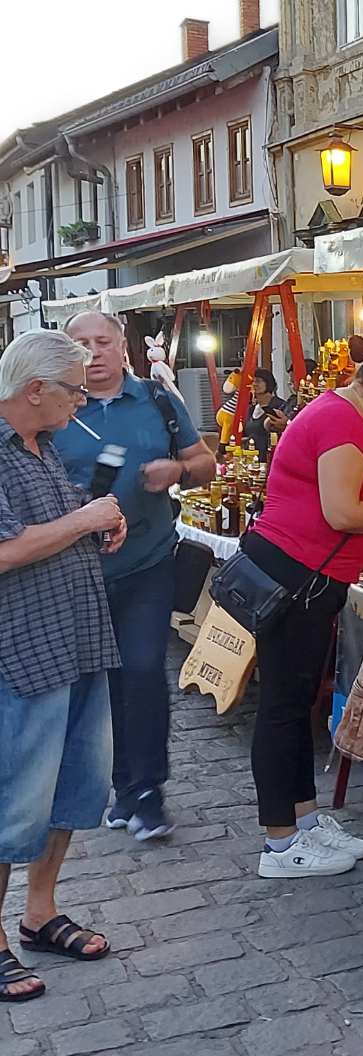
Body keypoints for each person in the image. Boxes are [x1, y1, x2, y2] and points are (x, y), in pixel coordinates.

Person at [245, 337, 363, 878]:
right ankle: (280, 843)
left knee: (294, 702)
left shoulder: (341, 416)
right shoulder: (341, 419)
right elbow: (342, 510)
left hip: (305, 577)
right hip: (293, 575)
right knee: (281, 706)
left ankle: (301, 819)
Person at [0, 331, 127, 1004]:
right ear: (34, 390)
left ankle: (39, 912)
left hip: (77, 642)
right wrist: (83, 519)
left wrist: (101, 523)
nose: (82, 401)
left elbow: (59, 527)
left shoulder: (41, 448)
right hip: (19, 653)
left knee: (75, 788)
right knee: (9, 799)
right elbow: (4, 551)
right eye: (74, 389)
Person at [57, 311, 216, 842]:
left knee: (144, 672)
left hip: (147, 562)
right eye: (81, 343)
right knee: (94, 686)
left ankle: (146, 791)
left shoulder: (157, 400)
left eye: (103, 341)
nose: (93, 352)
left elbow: (205, 462)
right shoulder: (54, 408)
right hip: (72, 573)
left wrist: (177, 471)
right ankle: (114, 787)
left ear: (121, 346)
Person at [242, 369, 290, 458]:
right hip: (252, 458)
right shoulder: (251, 408)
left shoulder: (280, 406)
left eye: (258, 381)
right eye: (253, 381)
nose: (254, 384)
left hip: (271, 457)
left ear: (268, 383)